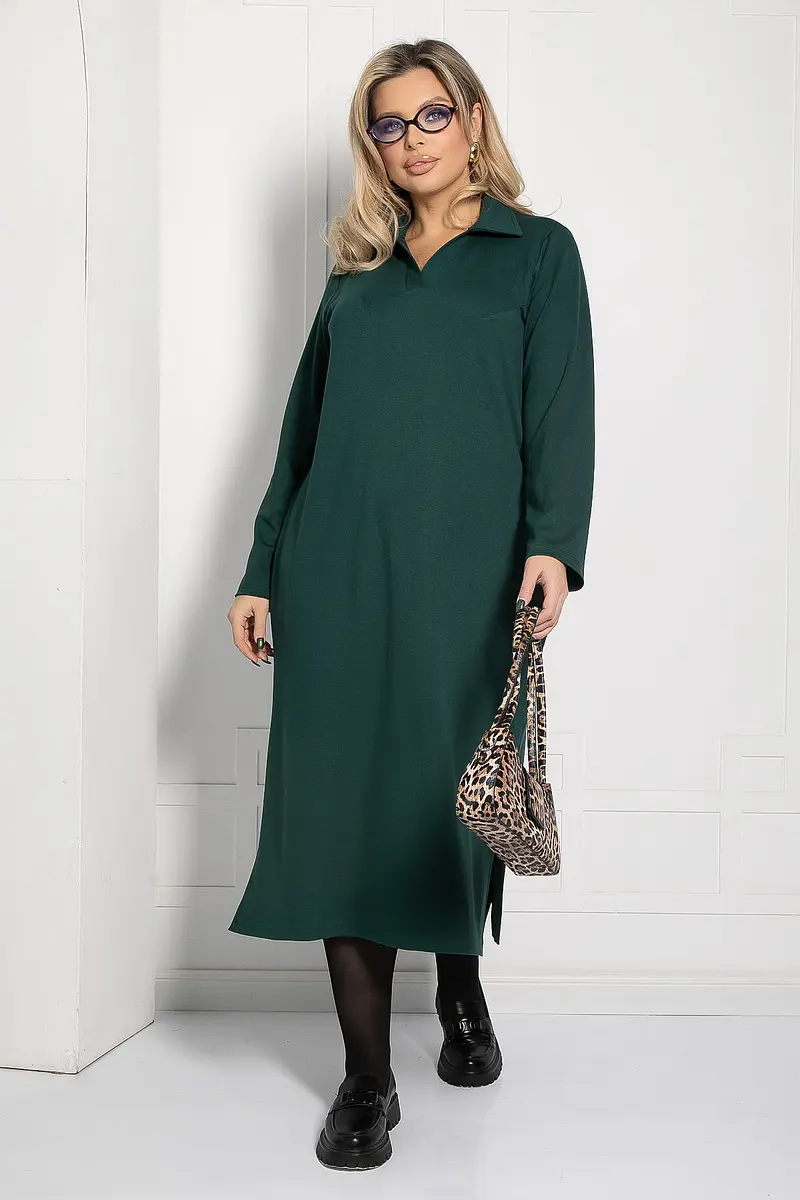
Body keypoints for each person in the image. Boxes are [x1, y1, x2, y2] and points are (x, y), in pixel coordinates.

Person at [226, 37, 595, 1171]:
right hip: (336, 572)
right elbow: (300, 432)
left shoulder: (536, 254)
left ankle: (461, 985)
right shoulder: (356, 269)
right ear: (372, 145)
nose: (411, 140)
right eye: (388, 125)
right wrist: (261, 564)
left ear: (472, 118)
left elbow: (561, 409)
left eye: (431, 115)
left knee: (446, 796)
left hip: (467, 578)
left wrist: (554, 547)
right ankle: (366, 1078)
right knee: (344, 807)